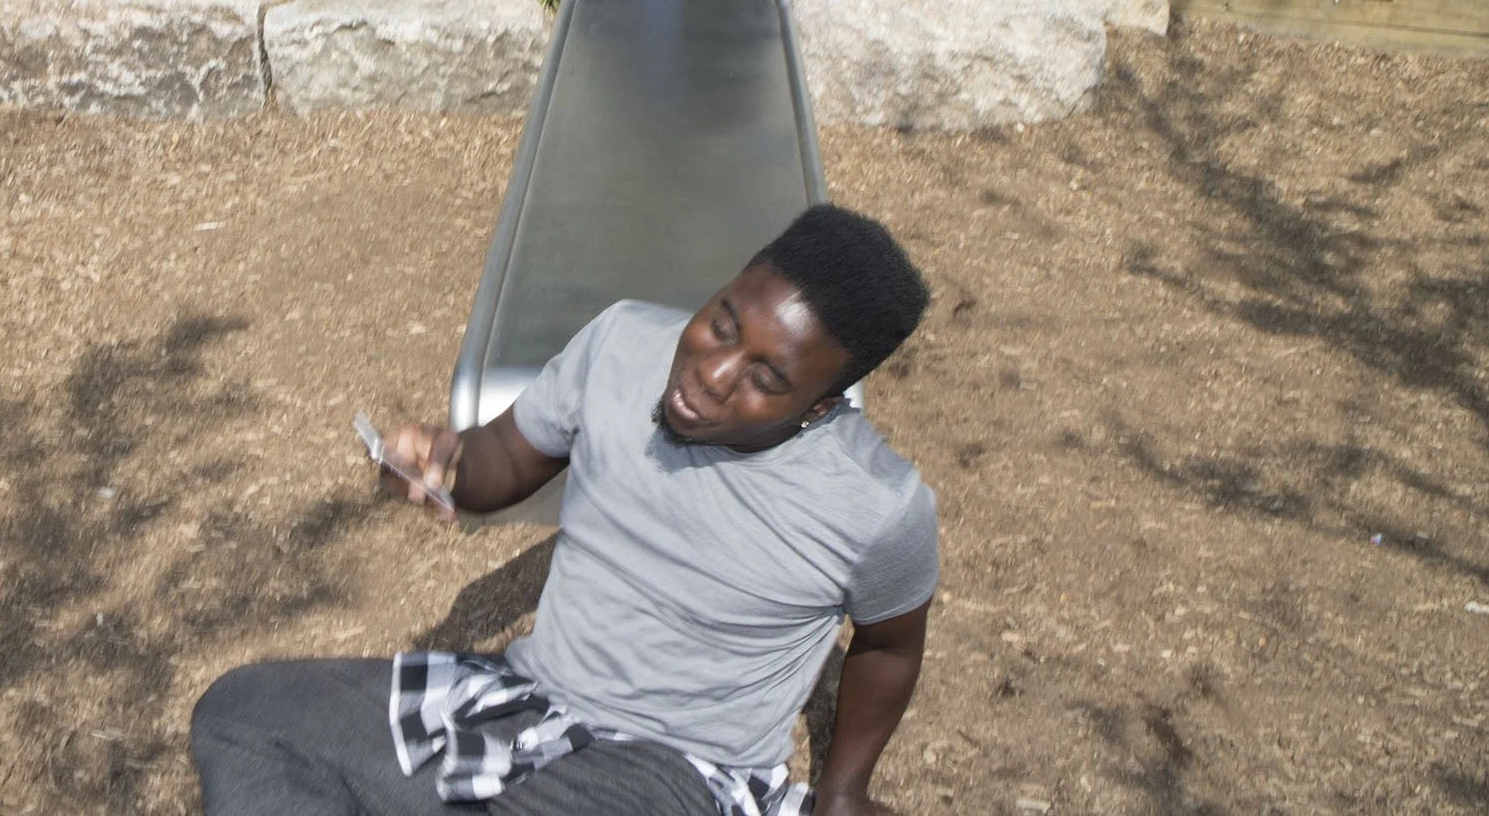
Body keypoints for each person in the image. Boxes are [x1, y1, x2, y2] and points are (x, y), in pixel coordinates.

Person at [192, 203, 938, 816]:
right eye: (722, 323)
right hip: (524, 703)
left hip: (672, 769)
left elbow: (890, 645)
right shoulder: (621, 342)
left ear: (819, 407)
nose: (709, 374)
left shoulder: (874, 506)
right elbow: (508, 459)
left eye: (765, 376)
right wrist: (446, 464)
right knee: (244, 713)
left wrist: (843, 791)